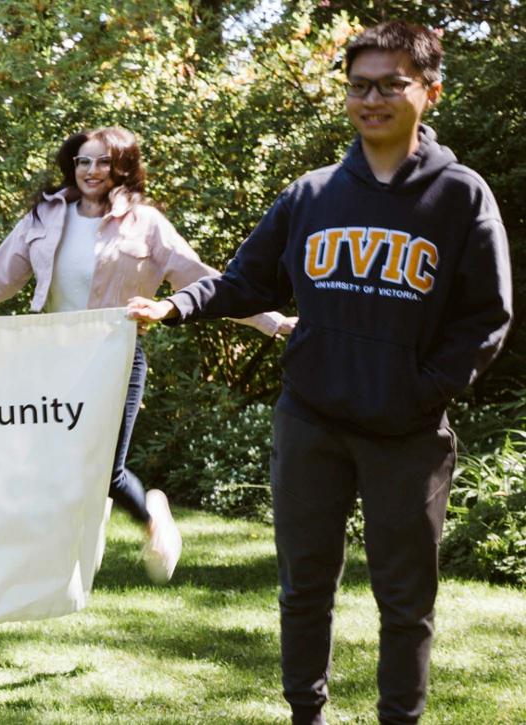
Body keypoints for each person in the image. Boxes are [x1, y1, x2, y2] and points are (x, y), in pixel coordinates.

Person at [127, 22, 510, 725]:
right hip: (311, 421)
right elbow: (246, 281)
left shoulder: (460, 195)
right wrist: (176, 305)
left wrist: (422, 391)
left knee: (405, 599)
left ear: (431, 91)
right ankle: (307, 713)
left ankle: (402, 717)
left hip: (408, 432)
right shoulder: (312, 194)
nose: (372, 99)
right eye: (359, 85)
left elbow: (486, 317)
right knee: (305, 588)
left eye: (391, 84)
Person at [0, 126, 294, 583]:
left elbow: (202, 279)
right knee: (44, 460)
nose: (91, 170)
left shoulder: (147, 224)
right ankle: (55, 558)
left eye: (102, 162)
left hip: (114, 357)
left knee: (106, 468)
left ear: (121, 166)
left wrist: (272, 321)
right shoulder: (44, 217)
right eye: (83, 161)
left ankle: (150, 514)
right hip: (49, 358)